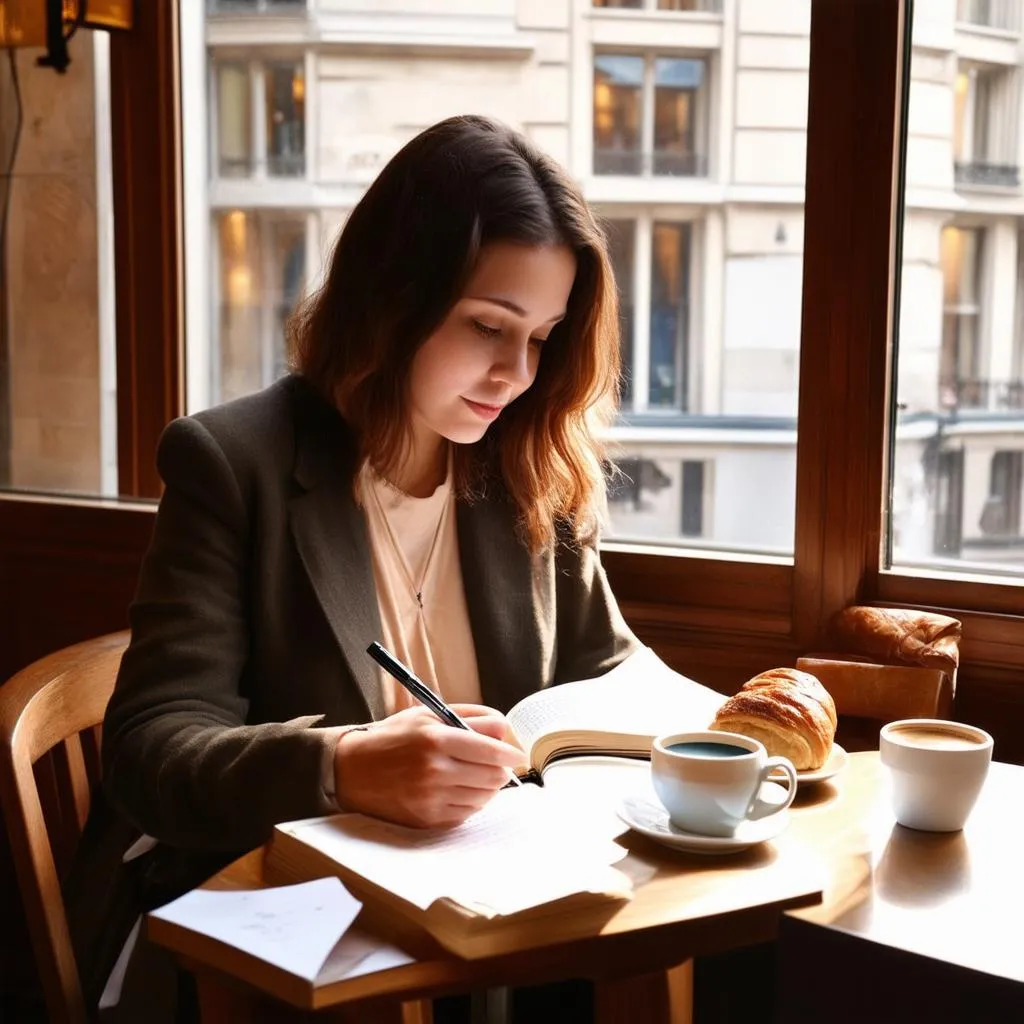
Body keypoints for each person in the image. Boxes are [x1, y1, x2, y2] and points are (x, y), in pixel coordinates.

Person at [67, 113, 639, 1022]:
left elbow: (608, 673)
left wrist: (714, 730)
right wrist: (340, 765)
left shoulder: (529, 465)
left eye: (541, 337)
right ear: (391, 297)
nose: (515, 374)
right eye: (488, 326)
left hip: (488, 919)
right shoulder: (231, 462)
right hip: (289, 949)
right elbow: (151, 751)